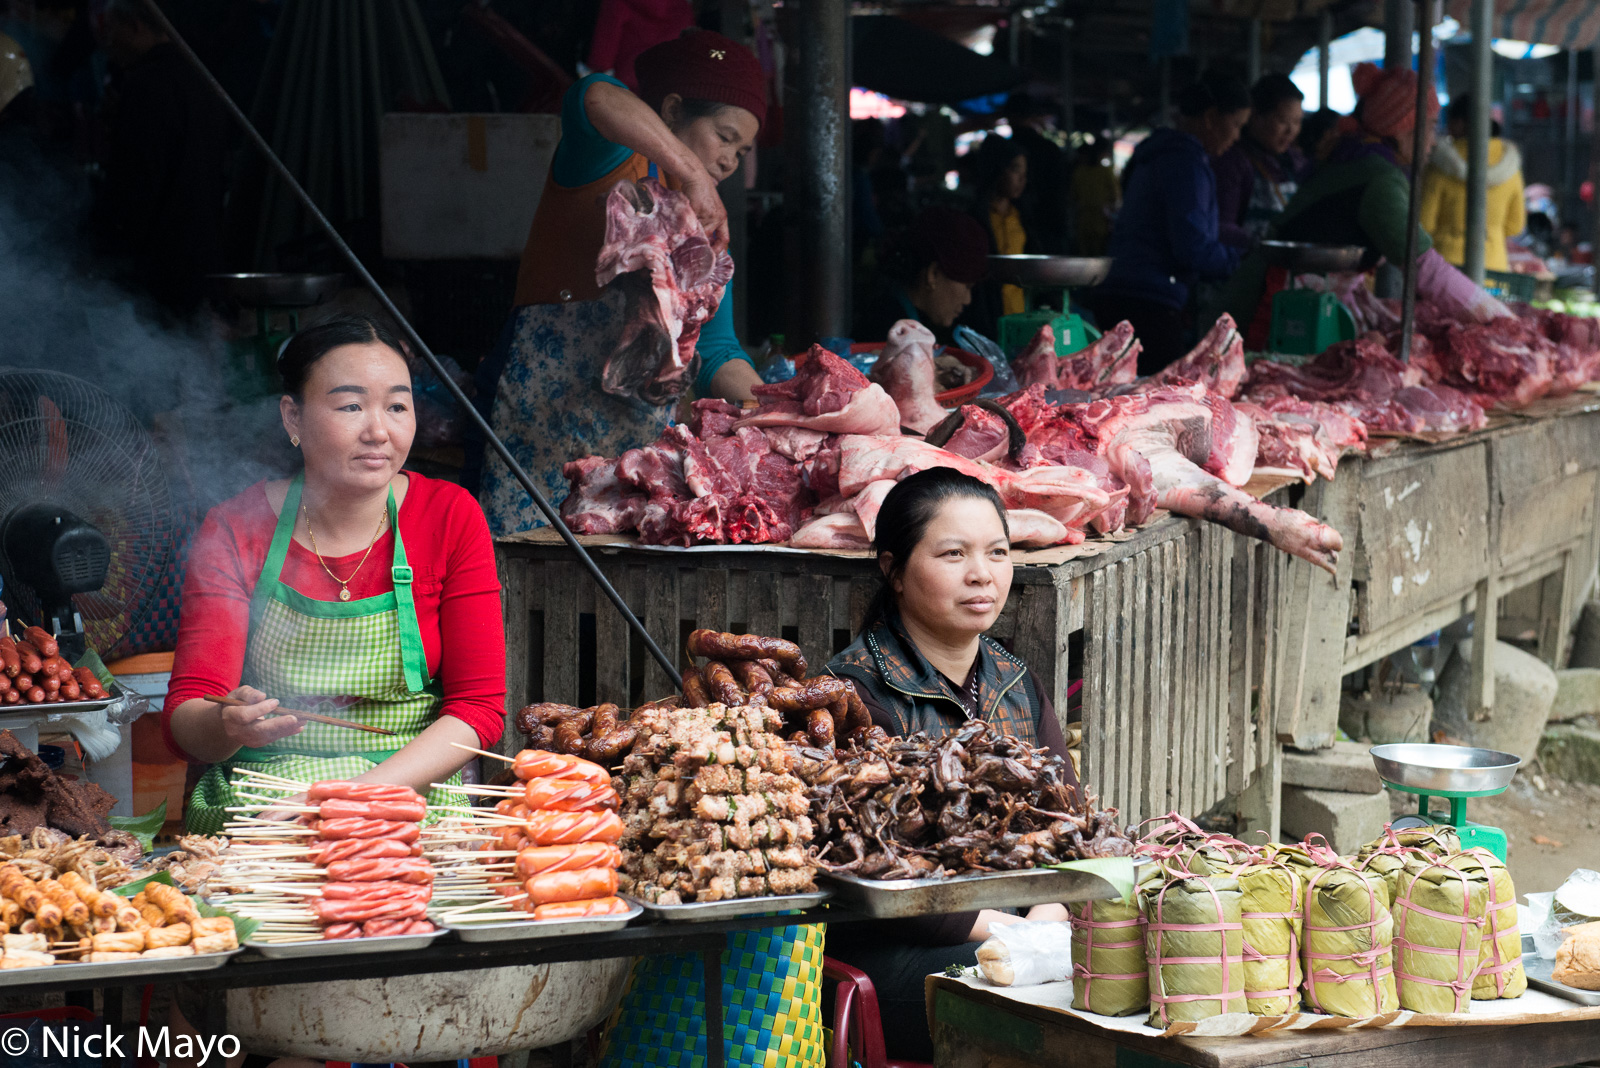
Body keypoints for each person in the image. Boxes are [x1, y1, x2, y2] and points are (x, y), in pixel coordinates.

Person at [162, 315, 505, 834]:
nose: (378, 431)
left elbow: (478, 709)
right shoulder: (236, 527)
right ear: (293, 418)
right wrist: (226, 724)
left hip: (409, 791)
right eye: (350, 406)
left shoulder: (449, 515)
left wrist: (351, 799)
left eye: (396, 406)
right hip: (266, 799)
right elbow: (189, 713)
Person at [825, 468, 1076, 1063]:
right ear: (893, 568)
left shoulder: (1015, 682)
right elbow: (878, 876)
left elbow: (1071, 825)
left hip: (1022, 932)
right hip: (898, 951)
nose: (981, 574)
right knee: (1051, 1006)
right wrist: (1020, 938)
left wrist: (1047, 918)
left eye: (997, 552)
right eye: (953, 554)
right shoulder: (854, 692)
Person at [469, 30, 765, 530]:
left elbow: (716, 350)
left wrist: (775, 405)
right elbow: (594, 94)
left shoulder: (704, 229)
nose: (728, 162)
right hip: (536, 431)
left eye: (741, 152)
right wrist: (688, 170)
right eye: (724, 137)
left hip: (635, 459)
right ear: (672, 111)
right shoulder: (604, 160)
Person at [1218, 63, 1512, 348]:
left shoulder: (1358, 158)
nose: (1434, 141)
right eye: (1432, 127)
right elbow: (1422, 265)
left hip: (1289, 300)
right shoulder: (1377, 176)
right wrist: (1501, 321)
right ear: (1402, 127)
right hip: (1272, 307)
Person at [1092, 71, 1251, 373]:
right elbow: (1190, 246)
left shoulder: (1158, 154)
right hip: (1148, 301)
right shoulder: (1186, 163)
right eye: (1236, 125)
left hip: (1122, 292)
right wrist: (1241, 260)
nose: (1236, 137)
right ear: (1211, 117)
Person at [93, 0, 227, 316]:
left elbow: (135, 182)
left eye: (113, 29)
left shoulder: (147, 84)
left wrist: (105, 247)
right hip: (203, 253)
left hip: (159, 262)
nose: (109, 42)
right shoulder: (202, 77)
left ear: (137, 25)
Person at [853, 205, 990, 345]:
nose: (968, 300)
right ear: (933, 274)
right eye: (967, 286)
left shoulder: (897, 312)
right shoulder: (884, 330)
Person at [1420, 94, 1525, 273]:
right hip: (1494, 266)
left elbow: (1424, 223)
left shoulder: (1440, 164)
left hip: (1446, 267)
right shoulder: (1509, 165)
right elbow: (1516, 225)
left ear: (1460, 123)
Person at [1214, 73, 1305, 248]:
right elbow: (1222, 227)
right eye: (1283, 121)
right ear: (1255, 116)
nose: (1291, 131)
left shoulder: (1293, 163)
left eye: (1297, 122)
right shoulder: (1232, 162)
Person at [967, 133, 1031, 335]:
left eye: (1024, 172)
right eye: (1015, 170)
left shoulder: (1023, 218)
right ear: (997, 169)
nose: (1022, 179)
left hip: (1020, 317)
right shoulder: (975, 218)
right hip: (986, 319)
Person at [1006, 93, 1072, 254]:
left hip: (1014, 220)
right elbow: (1061, 189)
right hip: (1049, 220)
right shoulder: (1049, 148)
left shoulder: (1007, 149)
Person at [1070, 135, 1121, 256]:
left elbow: (1073, 196)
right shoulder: (1106, 172)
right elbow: (1116, 196)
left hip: (1084, 219)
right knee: (1100, 254)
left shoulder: (1080, 172)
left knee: (1085, 254)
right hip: (1101, 219)